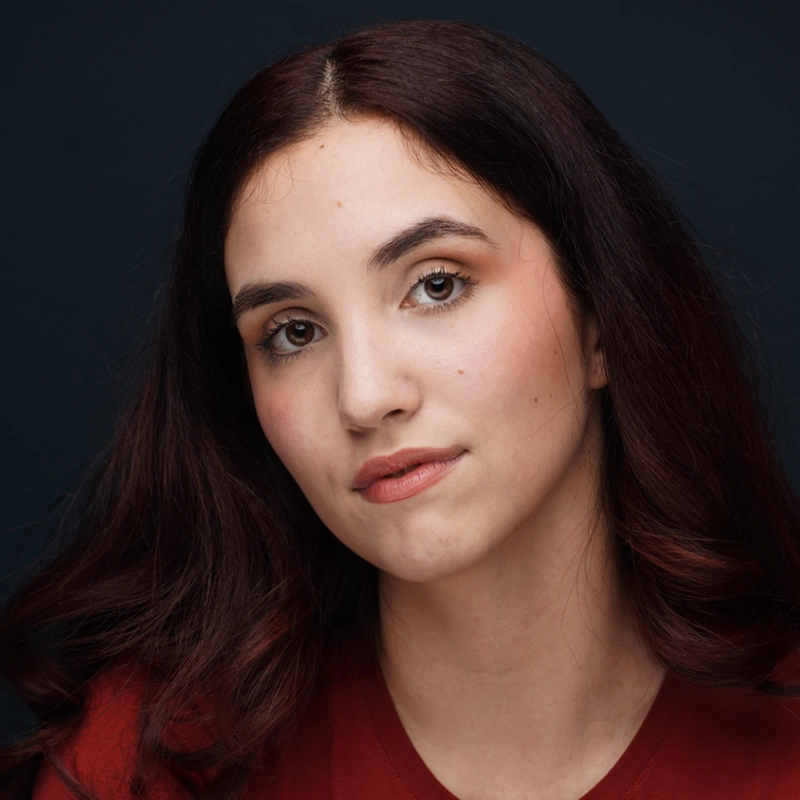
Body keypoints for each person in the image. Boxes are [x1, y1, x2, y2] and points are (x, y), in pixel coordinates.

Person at [2, 18, 799, 800]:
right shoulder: (149, 763)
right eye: (294, 332)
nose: (365, 396)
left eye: (437, 284)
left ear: (601, 320)